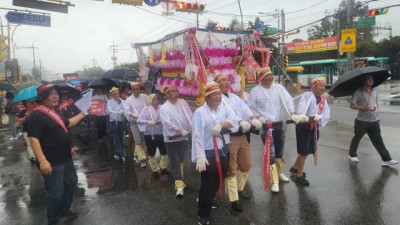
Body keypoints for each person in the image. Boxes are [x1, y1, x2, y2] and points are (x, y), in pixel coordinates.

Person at [26, 84, 87, 225]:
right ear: (42, 97)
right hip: (52, 162)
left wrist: (83, 114)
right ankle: (53, 220)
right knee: (55, 193)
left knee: (71, 183)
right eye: (51, 94)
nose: (55, 96)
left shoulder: (55, 111)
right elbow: (33, 139)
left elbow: (68, 124)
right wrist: (42, 161)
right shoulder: (36, 114)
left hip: (66, 158)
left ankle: (64, 209)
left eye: (57, 93)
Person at [213, 73, 262, 212]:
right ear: (217, 84)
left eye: (228, 80)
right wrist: (240, 121)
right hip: (230, 137)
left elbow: (245, 108)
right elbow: (229, 116)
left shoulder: (234, 97)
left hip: (242, 135)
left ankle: (239, 188)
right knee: (231, 169)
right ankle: (234, 199)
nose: (227, 82)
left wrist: (253, 118)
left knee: (246, 165)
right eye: (223, 80)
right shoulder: (216, 100)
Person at [192, 81, 239, 225]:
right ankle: (203, 215)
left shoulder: (223, 108)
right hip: (208, 153)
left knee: (219, 180)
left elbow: (234, 120)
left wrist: (221, 124)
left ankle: (207, 200)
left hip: (223, 150)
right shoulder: (200, 112)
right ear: (207, 98)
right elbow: (197, 135)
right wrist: (200, 155)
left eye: (219, 93)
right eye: (214, 94)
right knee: (207, 183)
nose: (218, 96)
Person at [248, 67, 298, 193]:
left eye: (271, 75)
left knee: (280, 150)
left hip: (280, 124)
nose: (270, 78)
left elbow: (288, 101)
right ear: (261, 78)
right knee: (269, 152)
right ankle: (274, 179)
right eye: (267, 76)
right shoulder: (255, 91)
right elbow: (250, 108)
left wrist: (292, 113)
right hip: (266, 126)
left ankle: (280, 172)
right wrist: (258, 117)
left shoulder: (279, 88)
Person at [348, 74, 398, 166]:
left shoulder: (375, 91)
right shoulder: (358, 92)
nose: (371, 80)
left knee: (378, 140)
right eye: (369, 79)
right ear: (363, 81)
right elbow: (352, 105)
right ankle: (352, 155)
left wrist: (376, 109)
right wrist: (363, 107)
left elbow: (375, 102)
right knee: (357, 138)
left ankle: (386, 159)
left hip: (374, 121)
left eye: (372, 79)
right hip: (362, 121)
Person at [289, 77, 330, 186]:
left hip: (314, 127)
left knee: (307, 150)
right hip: (304, 127)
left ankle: (294, 167)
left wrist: (319, 116)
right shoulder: (308, 95)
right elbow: (302, 108)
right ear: (314, 87)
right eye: (320, 86)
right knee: (304, 152)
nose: (322, 88)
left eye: (323, 86)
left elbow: (326, 113)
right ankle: (299, 175)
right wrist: (303, 115)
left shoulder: (323, 100)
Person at [159, 84, 193, 197]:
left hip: (184, 136)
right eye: (172, 91)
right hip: (172, 138)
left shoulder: (182, 102)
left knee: (181, 159)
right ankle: (178, 185)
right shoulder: (164, 107)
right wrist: (179, 129)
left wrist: (192, 127)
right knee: (174, 161)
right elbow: (167, 123)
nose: (175, 93)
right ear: (167, 94)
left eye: (176, 91)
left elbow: (189, 114)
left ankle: (180, 180)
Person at [137, 94, 171, 178]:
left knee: (164, 151)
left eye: (157, 99)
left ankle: (163, 168)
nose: (156, 101)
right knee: (151, 152)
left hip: (161, 133)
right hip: (150, 134)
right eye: (154, 99)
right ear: (150, 101)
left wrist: (162, 122)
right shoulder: (146, 109)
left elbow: (168, 118)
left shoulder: (162, 108)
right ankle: (155, 169)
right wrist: (148, 121)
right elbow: (139, 120)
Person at [123, 82, 148, 167]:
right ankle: (143, 159)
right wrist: (132, 114)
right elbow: (126, 111)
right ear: (132, 90)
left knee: (142, 140)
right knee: (137, 140)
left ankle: (136, 155)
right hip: (134, 123)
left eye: (138, 89)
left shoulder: (145, 97)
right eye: (134, 89)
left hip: (144, 123)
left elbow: (150, 107)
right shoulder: (129, 100)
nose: (137, 91)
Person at [107, 87, 126, 162]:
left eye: (117, 94)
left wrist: (123, 112)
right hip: (113, 122)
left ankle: (116, 153)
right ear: (111, 95)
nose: (116, 95)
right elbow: (110, 111)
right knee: (116, 137)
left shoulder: (123, 101)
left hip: (121, 121)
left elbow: (126, 110)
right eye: (114, 94)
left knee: (120, 137)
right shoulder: (109, 102)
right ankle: (121, 154)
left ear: (119, 94)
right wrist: (117, 112)